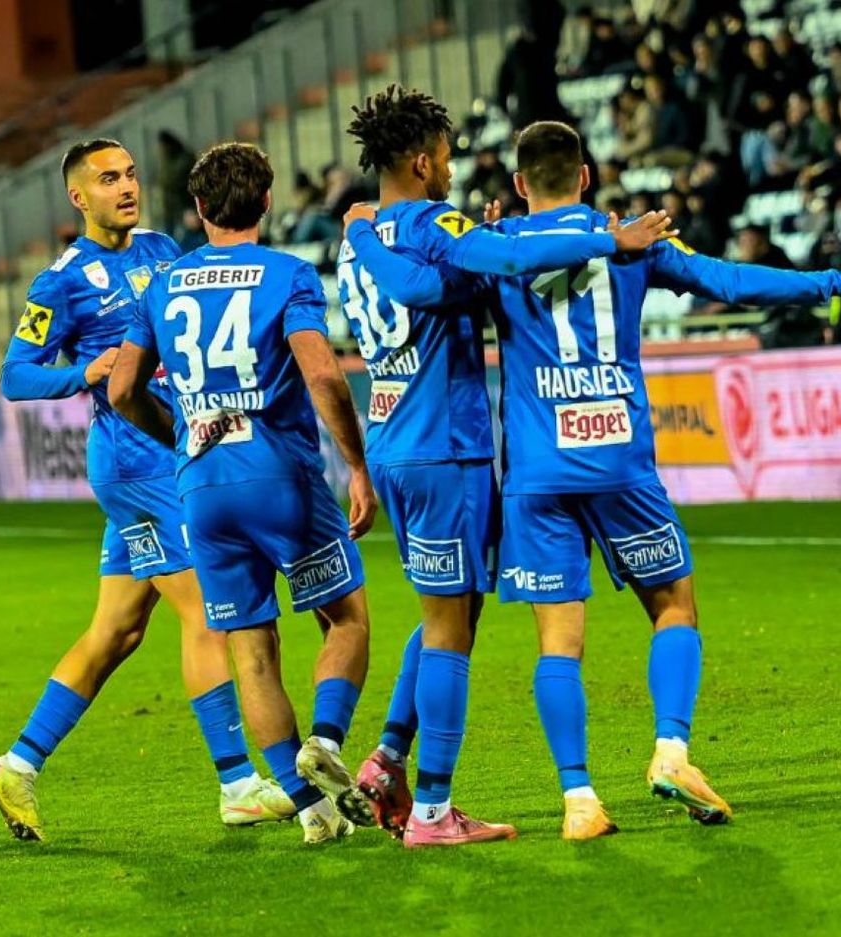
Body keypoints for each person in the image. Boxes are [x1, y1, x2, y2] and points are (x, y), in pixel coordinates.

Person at [457, 121, 841, 839]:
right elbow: (729, 279)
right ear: (585, 175)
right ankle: (670, 750)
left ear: (519, 184)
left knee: (558, 640)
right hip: (619, 459)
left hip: (537, 469)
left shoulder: (496, 250)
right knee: (674, 605)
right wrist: (840, 280)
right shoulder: (635, 240)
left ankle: (579, 800)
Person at [335, 86, 673, 847]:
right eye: (448, 154)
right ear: (422, 161)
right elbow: (501, 257)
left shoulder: (361, 227)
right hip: (444, 444)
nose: (454, 166)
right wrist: (608, 244)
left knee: (447, 609)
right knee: (451, 627)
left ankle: (388, 753)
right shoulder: (428, 222)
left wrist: (364, 242)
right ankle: (431, 809)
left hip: (392, 437)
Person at [0, 140, 292, 842]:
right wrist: (86, 372)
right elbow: (15, 375)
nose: (126, 187)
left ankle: (18, 764)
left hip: (166, 451)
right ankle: (239, 782)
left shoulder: (159, 249)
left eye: (129, 174)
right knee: (209, 614)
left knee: (117, 629)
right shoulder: (62, 281)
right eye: (108, 179)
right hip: (132, 463)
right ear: (78, 197)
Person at [109, 143, 378, 845]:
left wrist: (177, 434)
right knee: (345, 619)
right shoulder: (286, 272)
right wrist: (357, 463)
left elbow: (120, 390)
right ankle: (325, 738)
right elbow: (321, 376)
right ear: (265, 202)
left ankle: (308, 807)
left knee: (251, 648)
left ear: (198, 210)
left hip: (201, 484)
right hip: (279, 476)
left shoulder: (162, 285)